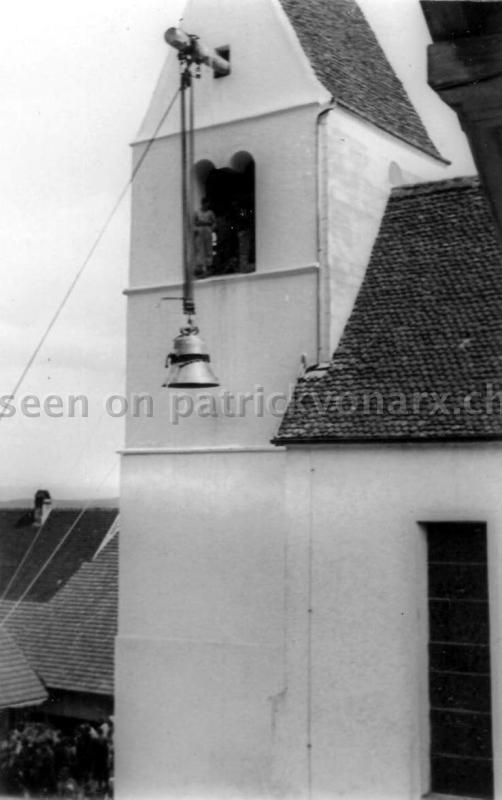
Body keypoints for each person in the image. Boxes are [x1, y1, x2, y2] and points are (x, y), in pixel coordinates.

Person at [194, 198, 216, 277]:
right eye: (206, 204)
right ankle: (199, 268)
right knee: (199, 249)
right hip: (200, 232)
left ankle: (209, 267)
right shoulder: (197, 212)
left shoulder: (210, 213)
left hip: (207, 231)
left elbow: (214, 223)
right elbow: (194, 222)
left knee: (208, 249)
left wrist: (211, 229)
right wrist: (195, 230)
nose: (207, 205)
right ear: (203, 203)